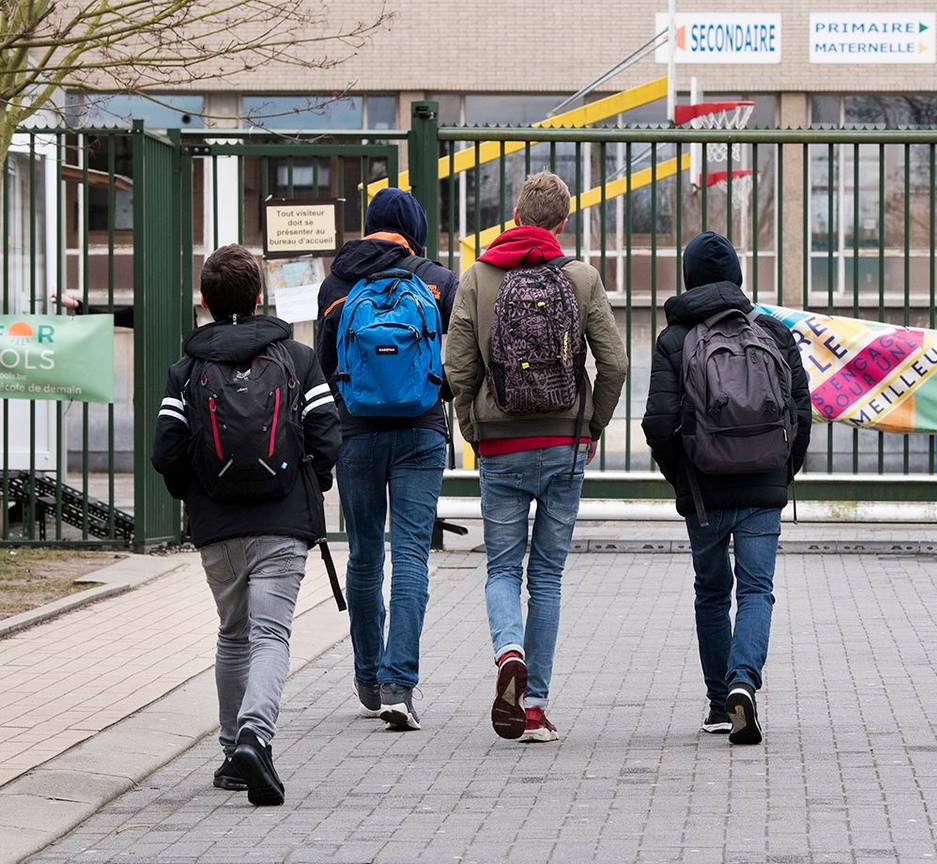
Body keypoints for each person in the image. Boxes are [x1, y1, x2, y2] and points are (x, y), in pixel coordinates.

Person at [151, 244, 341, 804]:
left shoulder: (186, 369)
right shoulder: (297, 359)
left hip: (218, 528)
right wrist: (312, 486)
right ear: (259, 296)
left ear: (205, 301)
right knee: (271, 635)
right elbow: (328, 434)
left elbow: (167, 451)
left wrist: (198, 492)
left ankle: (233, 749)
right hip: (283, 523)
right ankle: (256, 737)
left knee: (233, 634)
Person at [445, 171, 628, 743]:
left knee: (502, 568)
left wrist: (477, 431)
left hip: (501, 446)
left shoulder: (476, 278)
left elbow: (458, 370)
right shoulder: (581, 278)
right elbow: (615, 363)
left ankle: (508, 654)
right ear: (563, 222)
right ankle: (534, 707)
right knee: (545, 577)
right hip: (563, 445)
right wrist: (590, 427)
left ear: (516, 216)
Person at [641, 231, 811, 746]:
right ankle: (744, 683)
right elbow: (801, 414)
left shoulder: (674, 340)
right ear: (737, 276)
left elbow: (657, 422)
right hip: (763, 484)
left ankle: (720, 702)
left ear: (689, 279)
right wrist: (781, 473)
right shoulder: (774, 333)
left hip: (705, 489)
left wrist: (684, 479)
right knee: (758, 589)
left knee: (712, 592)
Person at [316, 187, 458, 731]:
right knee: (411, 557)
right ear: (414, 228)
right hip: (421, 432)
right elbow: (462, 351)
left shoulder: (336, 282)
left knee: (364, 554)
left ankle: (369, 678)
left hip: (354, 433)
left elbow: (326, 364)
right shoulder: (438, 280)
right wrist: (438, 391)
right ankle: (401, 684)